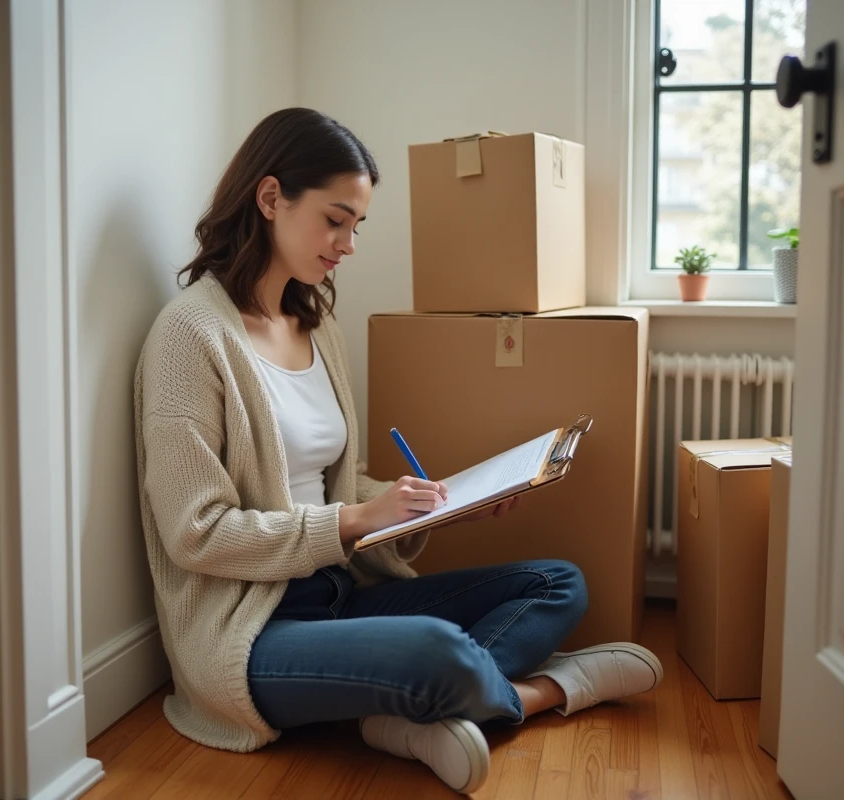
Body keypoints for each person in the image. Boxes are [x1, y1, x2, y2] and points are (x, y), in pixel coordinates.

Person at [133, 108, 662, 794]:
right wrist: (354, 522)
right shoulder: (189, 337)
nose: (348, 243)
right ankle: (548, 691)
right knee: (435, 652)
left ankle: (405, 719)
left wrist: (433, 510)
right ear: (270, 199)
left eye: (357, 225)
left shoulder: (317, 328)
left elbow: (337, 482)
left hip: (341, 593)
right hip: (250, 632)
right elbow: (194, 534)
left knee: (558, 582)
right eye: (335, 218)